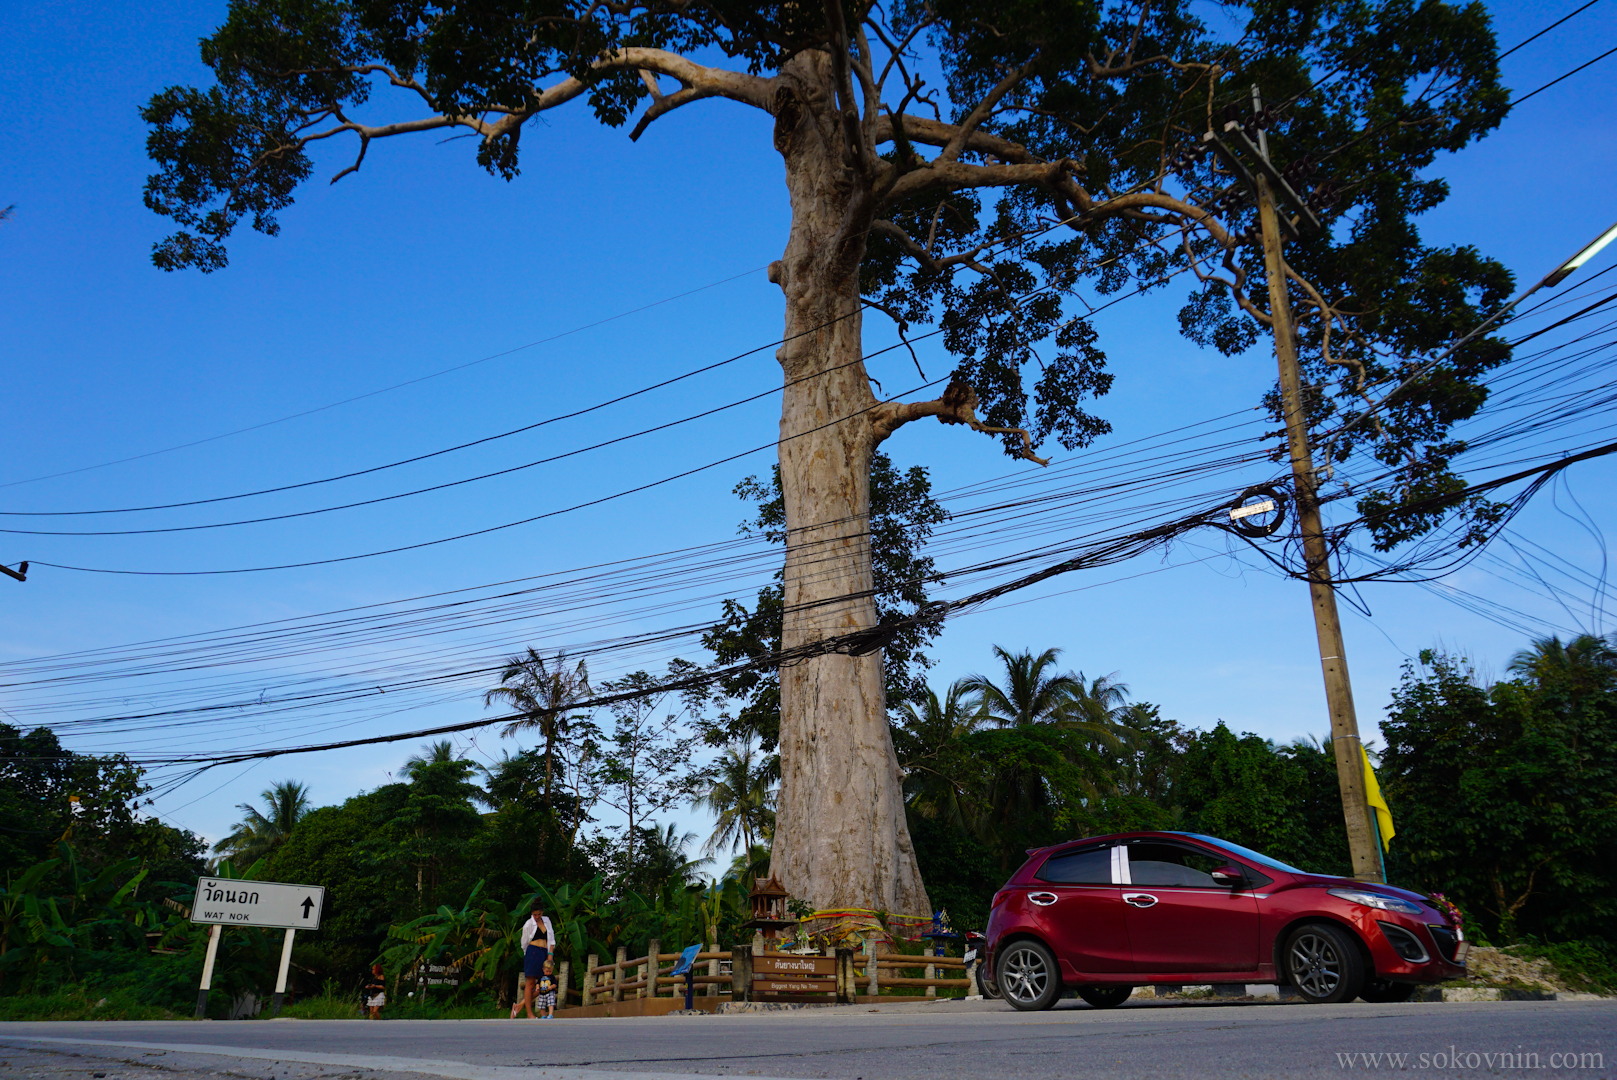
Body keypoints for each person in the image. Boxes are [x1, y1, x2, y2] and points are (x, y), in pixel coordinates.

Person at [515, 902, 554, 1019]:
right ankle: (529, 1013)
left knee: (544, 982)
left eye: (539, 914)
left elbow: (551, 939)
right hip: (532, 951)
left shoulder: (547, 920)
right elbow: (524, 943)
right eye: (535, 914)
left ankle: (520, 1005)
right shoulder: (528, 924)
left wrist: (550, 954)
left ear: (542, 912)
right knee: (531, 983)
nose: (537, 917)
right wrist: (530, 955)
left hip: (544, 952)